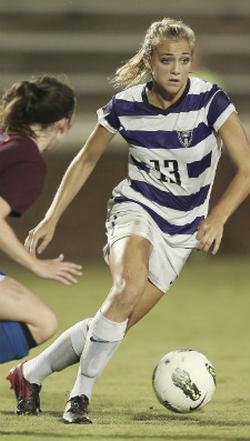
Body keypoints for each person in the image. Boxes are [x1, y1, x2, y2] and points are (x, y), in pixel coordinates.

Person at [7, 18, 250, 423]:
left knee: (116, 318)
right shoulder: (125, 105)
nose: (176, 69)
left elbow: (246, 168)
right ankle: (79, 398)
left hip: (184, 230)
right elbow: (86, 159)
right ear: (149, 61)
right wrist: (51, 216)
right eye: (167, 60)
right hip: (136, 207)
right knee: (127, 285)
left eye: (184, 60)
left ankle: (28, 374)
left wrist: (218, 217)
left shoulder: (211, 102)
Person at [0, 75, 83, 366]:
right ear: (63, 124)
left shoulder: (7, 141)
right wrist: (35, 264)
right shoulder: (28, 161)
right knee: (42, 322)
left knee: (40, 318)